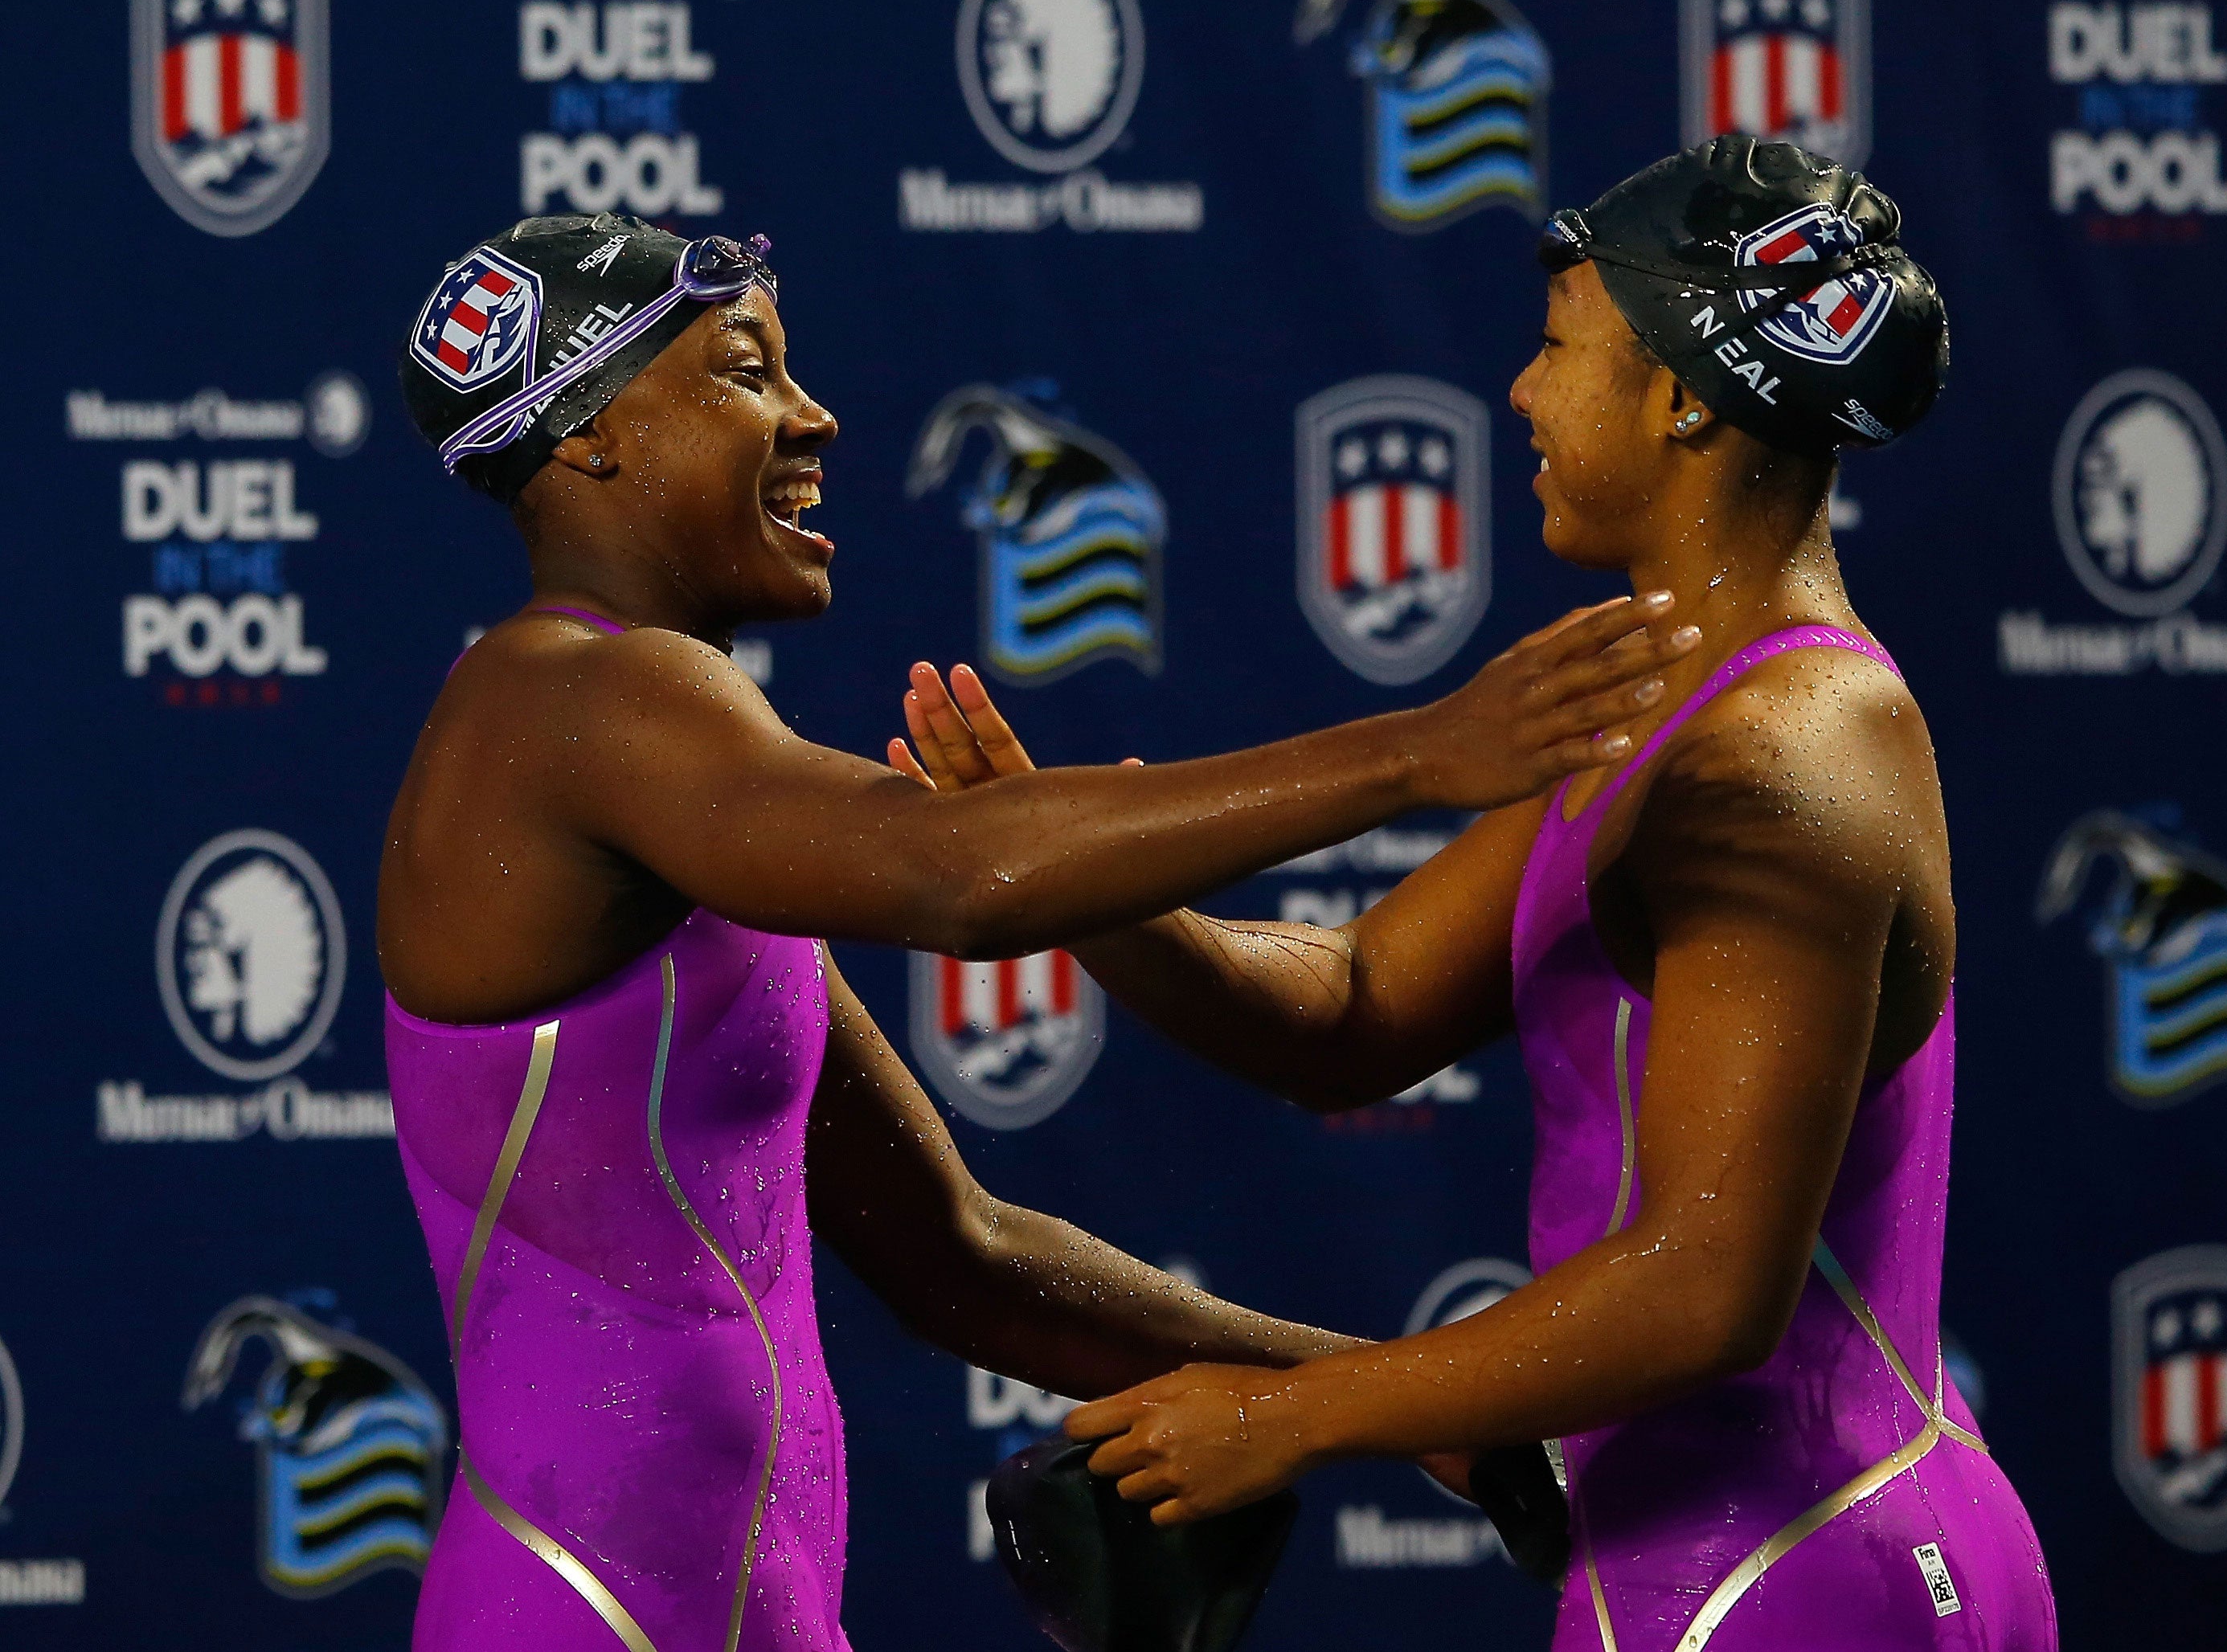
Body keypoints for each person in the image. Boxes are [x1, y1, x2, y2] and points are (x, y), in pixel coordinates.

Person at [380, 212, 1689, 1652]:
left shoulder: (668, 794)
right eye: (747, 373)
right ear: (592, 437)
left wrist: (1362, 1397)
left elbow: (964, 1254)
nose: (813, 417)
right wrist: (1419, 753)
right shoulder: (567, 695)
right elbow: (956, 874)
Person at [894, 140, 2059, 1650]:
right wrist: (1084, 885)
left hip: (1793, 1572)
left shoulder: (1778, 763)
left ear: (1681, 395)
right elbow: (1356, 1007)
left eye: (1558, 345)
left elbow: (1707, 1286)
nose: (1517, 390)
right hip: (1731, 1558)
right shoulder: (1670, 704)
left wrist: (1302, 1411)